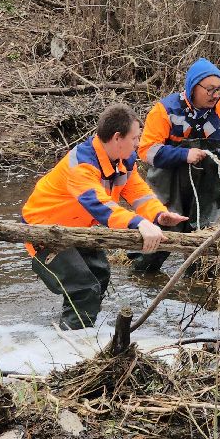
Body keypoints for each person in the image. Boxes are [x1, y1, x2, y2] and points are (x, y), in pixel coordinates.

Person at [21, 103, 187, 329]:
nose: (138, 144)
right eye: (135, 138)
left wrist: (159, 215)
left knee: (100, 274)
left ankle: (79, 327)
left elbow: (138, 193)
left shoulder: (123, 162)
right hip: (43, 231)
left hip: (76, 229)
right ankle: (72, 343)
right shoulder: (81, 165)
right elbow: (101, 206)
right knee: (83, 287)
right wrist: (139, 223)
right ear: (117, 138)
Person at [133, 58, 220, 272]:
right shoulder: (165, 110)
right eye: (210, 89)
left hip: (207, 193)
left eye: (219, 89)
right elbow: (146, 150)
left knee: (205, 252)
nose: (216, 95)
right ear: (193, 88)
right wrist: (183, 155)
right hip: (168, 189)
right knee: (157, 244)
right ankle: (142, 276)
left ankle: (198, 294)